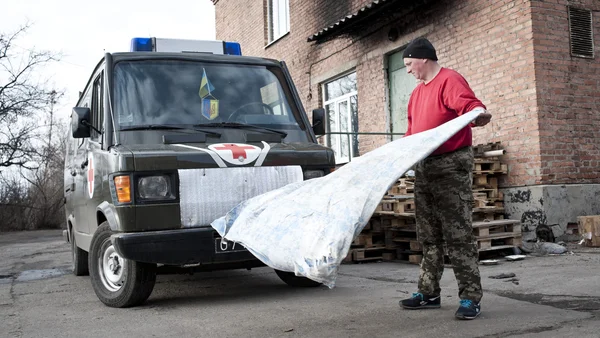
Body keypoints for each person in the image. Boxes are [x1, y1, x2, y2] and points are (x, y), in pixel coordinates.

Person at [398, 37, 492, 320]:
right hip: (425, 166)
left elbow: (472, 108)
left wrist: (479, 116)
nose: (408, 70)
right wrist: (397, 157)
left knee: (458, 233)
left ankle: (470, 298)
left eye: (408, 64)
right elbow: (412, 132)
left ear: (423, 58)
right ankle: (429, 292)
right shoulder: (416, 94)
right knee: (429, 234)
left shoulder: (449, 80)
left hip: (451, 164)